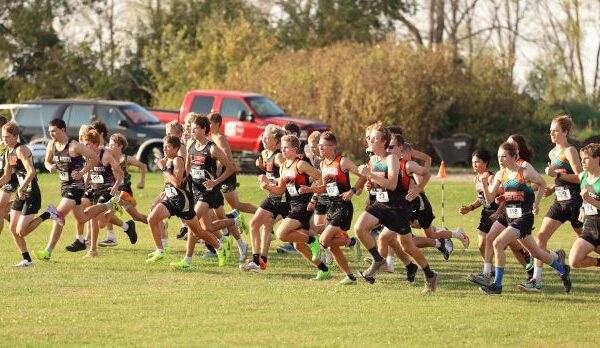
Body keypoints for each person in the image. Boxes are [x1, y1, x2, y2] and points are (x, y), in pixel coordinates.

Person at [354, 123, 439, 294]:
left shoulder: (391, 158)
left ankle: (430, 275)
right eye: (369, 137)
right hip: (380, 205)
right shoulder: (373, 160)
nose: (370, 140)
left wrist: (418, 189)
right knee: (359, 228)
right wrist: (369, 186)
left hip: (397, 207)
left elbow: (392, 184)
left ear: (384, 141)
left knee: (407, 246)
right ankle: (378, 260)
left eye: (374, 138)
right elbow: (378, 182)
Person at [479, 142, 571, 295]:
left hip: (524, 218)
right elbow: (489, 199)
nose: (500, 159)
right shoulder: (500, 175)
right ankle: (563, 270)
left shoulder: (524, 173)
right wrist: (484, 185)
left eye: (504, 156)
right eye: (498, 157)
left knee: (498, 242)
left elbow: (542, 184)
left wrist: (536, 203)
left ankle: (497, 285)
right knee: (536, 252)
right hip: (510, 217)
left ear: (514, 157)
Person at [35, 119, 122, 261]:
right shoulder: (51, 145)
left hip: (76, 187)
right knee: (82, 218)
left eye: (54, 131)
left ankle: (47, 251)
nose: (51, 134)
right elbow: (46, 161)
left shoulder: (74, 146)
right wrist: (49, 166)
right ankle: (109, 205)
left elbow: (94, 158)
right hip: (64, 186)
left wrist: (81, 173)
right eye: (50, 131)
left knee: (58, 214)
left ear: (63, 130)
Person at [520, 114, 583, 292]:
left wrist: (557, 176)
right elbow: (561, 180)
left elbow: (581, 177)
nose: (552, 134)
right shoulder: (552, 153)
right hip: (559, 203)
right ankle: (536, 281)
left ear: (565, 131)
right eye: (550, 131)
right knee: (540, 238)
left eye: (555, 131)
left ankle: (558, 259)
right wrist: (553, 188)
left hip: (576, 203)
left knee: (589, 242)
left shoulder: (570, 151)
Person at [146, 135, 223, 266]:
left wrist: (164, 169)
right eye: (164, 146)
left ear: (176, 148)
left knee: (198, 231)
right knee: (151, 219)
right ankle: (160, 251)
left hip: (183, 203)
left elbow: (176, 182)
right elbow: (170, 183)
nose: (164, 149)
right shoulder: (166, 160)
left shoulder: (177, 161)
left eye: (168, 147)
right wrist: (165, 190)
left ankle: (220, 248)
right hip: (170, 200)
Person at [300, 131, 363, 284]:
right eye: (319, 146)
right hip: (331, 207)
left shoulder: (342, 162)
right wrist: (310, 191)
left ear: (333, 146)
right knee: (332, 245)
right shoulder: (323, 164)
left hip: (343, 207)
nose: (319, 149)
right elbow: (324, 188)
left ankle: (353, 242)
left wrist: (352, 191)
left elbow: (363, 175)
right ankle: (350, 276)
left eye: (323, 146)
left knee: (323, 240)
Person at [262, 134, 327, 279]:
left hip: (304, 205)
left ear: (295, 149)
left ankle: (312, 240)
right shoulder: (284, 166)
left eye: (286, 148)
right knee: (298, 245)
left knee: (281, 234)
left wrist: (312, 192)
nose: (283, 151)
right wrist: (267, 186)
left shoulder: (301, 164)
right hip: (293, 205)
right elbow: (280, 190)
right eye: (282, 148)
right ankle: (323, 268)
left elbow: (322, 177)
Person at [240, 125, 288, 271]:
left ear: (277, 142)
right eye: (263, 136)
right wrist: (262, 168)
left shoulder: (279, 156)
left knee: (254, 224)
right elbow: (272, 173)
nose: (263, 139)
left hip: (282, 198)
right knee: (266, 226)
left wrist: (269, 181)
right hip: (273, 195)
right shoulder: (265, 154)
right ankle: (261, 261)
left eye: (267, 137)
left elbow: (287, 175)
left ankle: (255, 261)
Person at [0, 122, 43, 266]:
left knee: (21, 231)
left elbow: (31, 172)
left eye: (7, 137)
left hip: (31, 192)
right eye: (3, 137)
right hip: (22, 192)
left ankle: (48, 214)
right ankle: (27, 260)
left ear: (15, 136)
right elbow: (7, 176)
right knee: (13, 228)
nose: (4, 140)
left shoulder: (21, 150)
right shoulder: (9, 151)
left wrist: (22, 187)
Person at [459, 149, 505, 273]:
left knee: (502, 244)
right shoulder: (476, 179)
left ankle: (490, 271)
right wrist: (470, 207)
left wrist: (498, 213)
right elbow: (481, 198)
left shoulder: (490, 178)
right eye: (473, 162)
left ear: (485, 163)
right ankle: (490, 270)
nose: (474, 164)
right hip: (486, 214)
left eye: (477, 162)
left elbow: (504, 196)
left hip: (497, 215)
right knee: (481, 246)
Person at [79, 129, 124, 257]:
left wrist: (115, 187)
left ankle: (92, 250)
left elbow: (120, 173)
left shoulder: (106, 155)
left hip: (106, 189)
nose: (85, 147)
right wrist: (85, 186)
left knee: (98, 221)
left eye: (87, 144)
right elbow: (89, 172)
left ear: (94, 144)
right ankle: (92, 249)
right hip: (94, 189)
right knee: (90, 216)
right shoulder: (88, 155)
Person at [569, 143, 600, 269]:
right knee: (574, 261)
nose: (582, 162)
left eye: (586, 158)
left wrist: (589, 200)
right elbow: (585, 199)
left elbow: (589, 198)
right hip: (590, 226)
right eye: (581, 159)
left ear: (597, 158)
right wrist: (583, 208)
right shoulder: (583, 177)